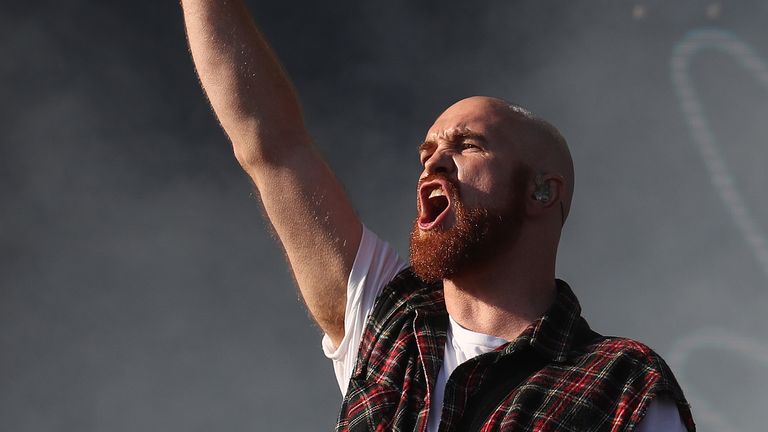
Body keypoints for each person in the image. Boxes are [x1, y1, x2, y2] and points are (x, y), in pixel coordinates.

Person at [180, 1, 696, 431]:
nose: (434, 161)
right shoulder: (391, 323)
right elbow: (272, 147)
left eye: (467, 145)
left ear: (542, 191)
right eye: (426, 152)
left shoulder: (623, 383)